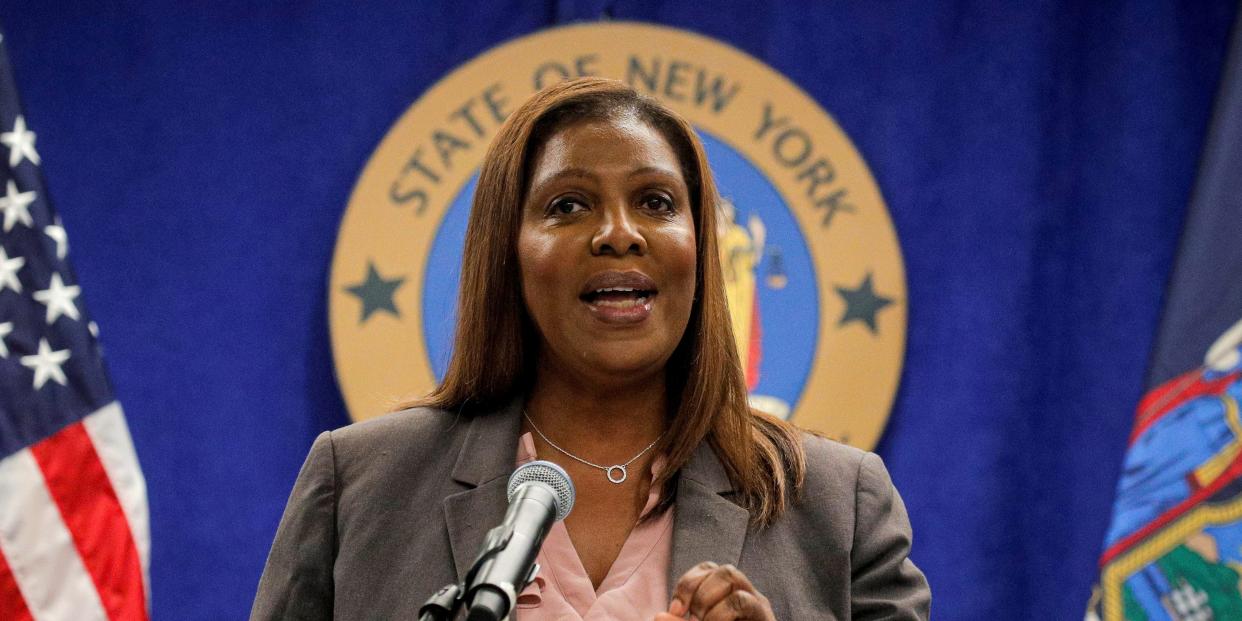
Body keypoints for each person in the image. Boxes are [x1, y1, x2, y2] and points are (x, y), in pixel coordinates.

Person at [251, 77, 930, 620]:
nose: (619, 233)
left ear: (700, 248)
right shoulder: (361, 483)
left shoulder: (838, 503)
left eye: (657, 203)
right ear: (507, 252)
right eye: (568, 206)